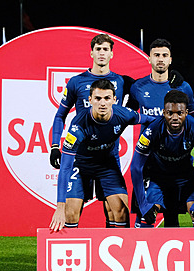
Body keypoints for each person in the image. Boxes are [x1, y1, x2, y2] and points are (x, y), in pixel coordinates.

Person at [49, 33, 133, 228]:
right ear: (91, 53)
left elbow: (146, 93)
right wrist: (55, 145)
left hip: (109, 157)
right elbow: (59, 115)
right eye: (98, 49)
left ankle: (114, 256)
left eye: (105, 49)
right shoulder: (76, 82)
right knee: (70, 211)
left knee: (118, 210)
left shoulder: (121, 82)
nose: (102, 53)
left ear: (112, 54)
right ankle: (70, 255)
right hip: (81, 156)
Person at [49, 79, 153, 231]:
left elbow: (154, 121)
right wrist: (59, 207)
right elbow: (65, 168)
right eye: (98, 98)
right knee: (70, 212)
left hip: (107, 164)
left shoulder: (123, 114)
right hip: (81, 165)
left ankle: (120, 253)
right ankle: (75, 252)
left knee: (121, 211)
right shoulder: (78, 126)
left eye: (107, 98)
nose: (102, 103)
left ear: (114, 100)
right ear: (90, 100)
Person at [128, 38, 194, 226]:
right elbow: (130, 114)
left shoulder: (183, 87)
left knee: (172, 216)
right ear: (149, 58)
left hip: (177, 162)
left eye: (164, 55)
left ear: (170, 60)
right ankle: (137, 252)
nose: (160, 59)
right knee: (145, 215)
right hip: (148, 162)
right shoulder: (138, 87)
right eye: (156, 55)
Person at [130, 90, 194, 228]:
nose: (175, 117)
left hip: (185, 178)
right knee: (146, 215)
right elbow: (135, 167)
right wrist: (143, 205)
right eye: (170, 113)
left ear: (186, 112)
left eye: (179, 113)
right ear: (163, 112)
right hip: (158, 178)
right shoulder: (152, 130)